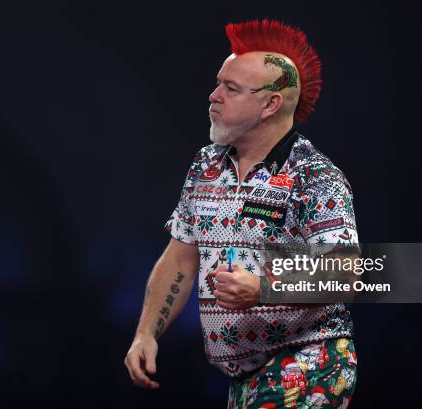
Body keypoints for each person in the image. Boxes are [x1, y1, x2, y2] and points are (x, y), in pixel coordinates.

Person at [125, 19, 359, 408]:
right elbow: (181, 258)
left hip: (309, 366)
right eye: (219, 83)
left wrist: (263, 287)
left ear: (270, 104)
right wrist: (146, 332)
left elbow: (346, 273)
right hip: (243, 379)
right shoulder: (206, 166)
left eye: (230, 89)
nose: (213, 95)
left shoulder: (315, 176)